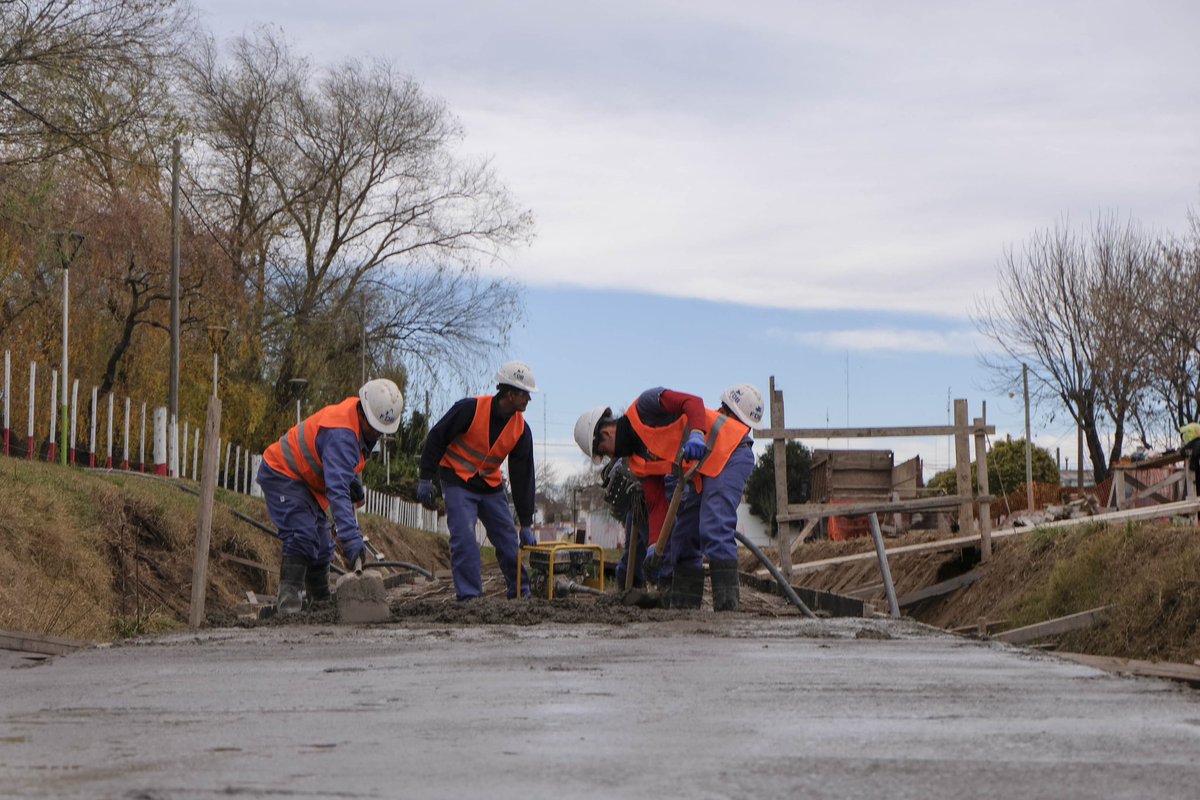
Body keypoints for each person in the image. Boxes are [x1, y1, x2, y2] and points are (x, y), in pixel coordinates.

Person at [574, 383, 765, 611]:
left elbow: (692, 402)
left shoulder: (644, 407)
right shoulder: (638, 462)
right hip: (703, 471)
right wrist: (655, 547)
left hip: (731, 452)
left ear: (606, 434)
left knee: (714, 525)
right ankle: (684, 609)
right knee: (684, 538)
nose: (609, 456)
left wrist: (697, 433)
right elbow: (657, 505)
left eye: (604, 451)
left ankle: (727, 611)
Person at [257, 378, 404, 614]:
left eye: (382, 431)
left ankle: (320, 602)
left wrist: (352, 480)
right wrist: (351, 539)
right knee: (302, 533)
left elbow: (340, 464)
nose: (378, 434)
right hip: (283, 472)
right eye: (375, 428)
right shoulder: (342, 434)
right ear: (364, 414)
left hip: (305, 481)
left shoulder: (358, 421)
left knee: (323, 544)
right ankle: (289, 604)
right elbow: (337, 492)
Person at [416, 361, 538, 601]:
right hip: (457, 480)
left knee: (508, 542)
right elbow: (437, 437)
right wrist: (426, 477)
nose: (529, 399)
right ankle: (470, 598)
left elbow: (523, 477)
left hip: (490, 486)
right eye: (525, 394)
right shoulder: (469, 409)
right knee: (464, 538)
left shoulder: (521, 430)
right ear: (510, 393)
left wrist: (525, 523)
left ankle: (521, 593)